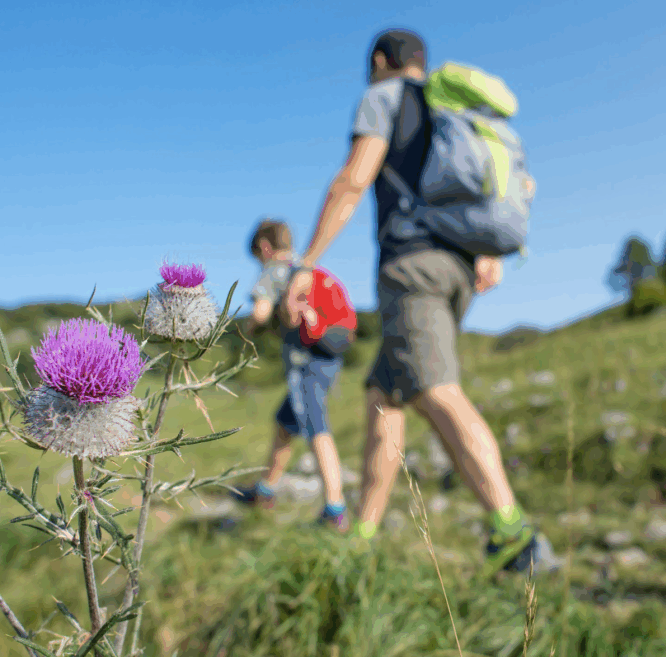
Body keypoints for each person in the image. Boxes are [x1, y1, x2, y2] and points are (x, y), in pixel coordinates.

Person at [280, 29, 558, 574]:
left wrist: (306, 262)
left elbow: (354, 179)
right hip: (456, 270)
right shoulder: (452, 113)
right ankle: (362, 535)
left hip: (413, 269)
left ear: (382, 61)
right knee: (385, 397)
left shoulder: (384, 97)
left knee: (436, 389)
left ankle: (516, 538)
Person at [231, 218, 357, 533]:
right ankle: (265, 491)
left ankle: (335, 508)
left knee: (316, 425)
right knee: (286, 422)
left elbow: (259, 313)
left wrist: (248, 328)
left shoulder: (276, 269)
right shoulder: (307, 267)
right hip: (329, 351)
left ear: (264, 247)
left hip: (306, 360)